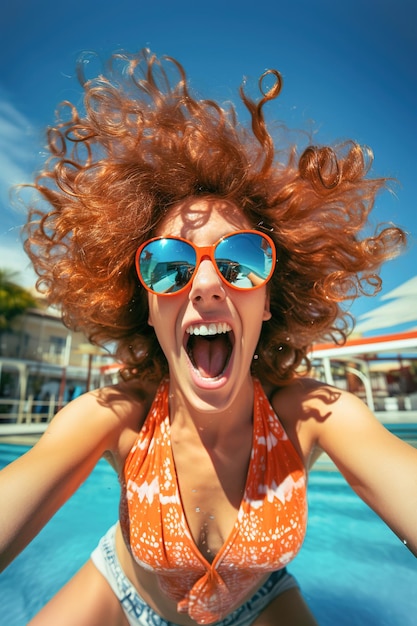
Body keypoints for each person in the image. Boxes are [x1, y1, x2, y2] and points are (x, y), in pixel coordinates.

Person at [0, 49, 416, 626]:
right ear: (145, 305)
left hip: (260, 600)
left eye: (241, 260)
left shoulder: (314, 417)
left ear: (268, 298)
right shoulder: (117, 419)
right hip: (121, 592)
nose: (204, 285)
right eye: (168, 267)